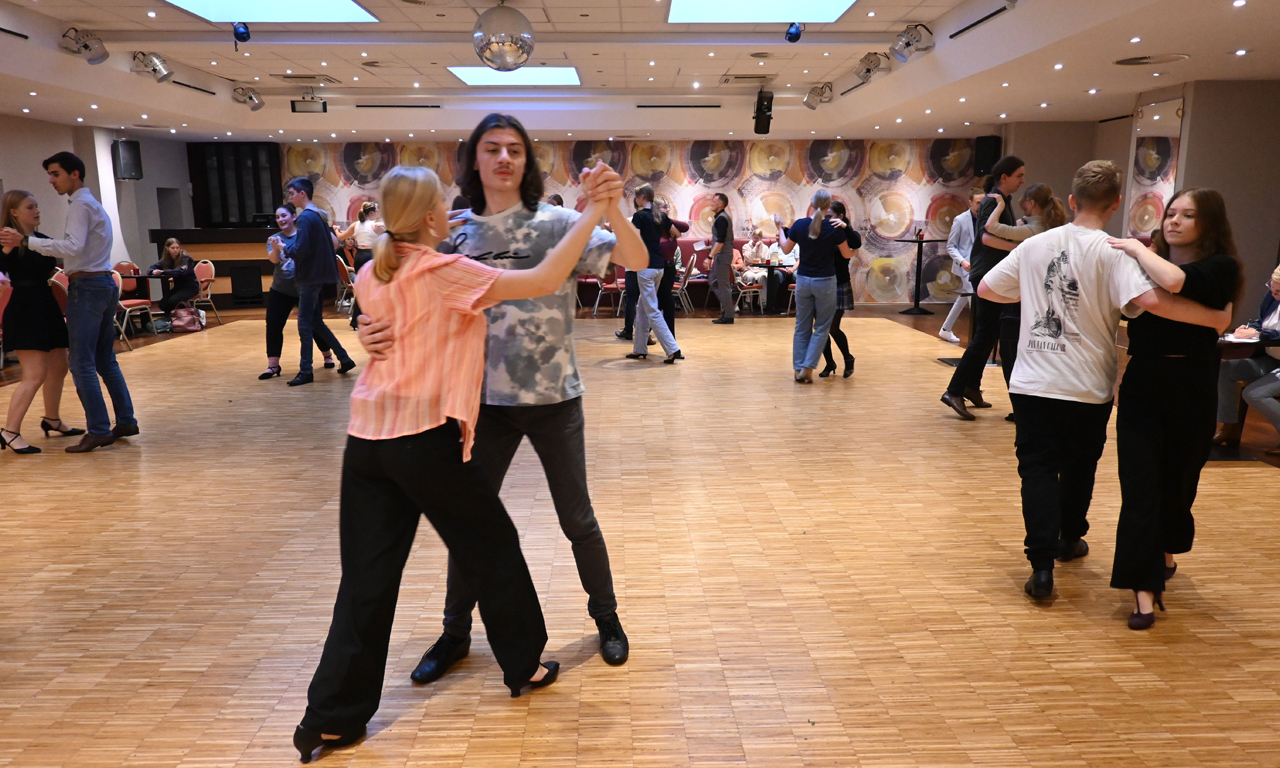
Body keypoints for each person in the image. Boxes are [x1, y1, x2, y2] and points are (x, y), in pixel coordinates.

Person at [294, 163, 623, 763]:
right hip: (423, 440)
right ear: (427, 219)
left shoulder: (374, 271)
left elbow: (374, 315)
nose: (453, 210)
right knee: (493, 548)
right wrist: (596, 210)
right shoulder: (445, 272)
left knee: (366, 580)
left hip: (365, 441)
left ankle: (331, 718)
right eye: (443, 205)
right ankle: (524, 665)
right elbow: (548, 276)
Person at [356, 113, 648, 686]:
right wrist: (365, 329)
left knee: (577, 519)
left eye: (515, 149)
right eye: (492, 149)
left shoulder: (559, 221)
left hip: (555, 397)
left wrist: (609, 203)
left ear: (527, 160)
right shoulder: (452, 231)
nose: (504, 158)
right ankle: (455, 633)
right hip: (478, 403)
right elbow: (389, 286)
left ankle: (607, 618)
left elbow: (636, 260)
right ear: (475, 159)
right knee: (471, 524)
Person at [977, 160, 1233, 601]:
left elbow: (986, 289)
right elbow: (1149, 303)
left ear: (1072, 201)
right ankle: (1069, 537)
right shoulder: (1116, 251)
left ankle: (1040, 567)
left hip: (1032, 380)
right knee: (1079, 466)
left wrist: (1032, 293)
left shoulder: (1038, 244)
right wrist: (1216, 318)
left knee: (1035, 468)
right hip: (1087, 384)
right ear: (1115, 204)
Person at [1106, 188, 1243, 629]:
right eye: (1170, 213)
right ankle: (1143, 591)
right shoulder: (1143, 263)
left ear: (1210, 224)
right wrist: (1211, 317)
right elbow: (1154, 302)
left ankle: (1167, 544)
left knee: (1179, 484)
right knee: (1140, 489)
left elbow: (1173, 284)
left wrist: (1134, 248)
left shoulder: (1220, 268)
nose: (1174, 221)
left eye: (1188, 215)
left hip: (1193, 388)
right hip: (1145, 384)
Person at [0, 152, 136, 453]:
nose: (51, 181)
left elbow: (71, 249)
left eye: (55, 174)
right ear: (13, 213)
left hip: (84, 288)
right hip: (50, 301)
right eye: (30, 206)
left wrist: (26, 241)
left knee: (78, 363)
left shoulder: (78, 207)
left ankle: (97, 428)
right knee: (95, 361)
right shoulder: (13, 241)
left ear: (74, 174)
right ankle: (119, 420)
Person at [940, 156, 1026, 420]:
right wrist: (1020, 247)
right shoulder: (992, 201)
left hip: (993, 276)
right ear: (1004, 177)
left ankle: (970, 386)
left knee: (988, 335)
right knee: (984, 335)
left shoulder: (1001, 201)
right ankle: (954, 390)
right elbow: (987, 238)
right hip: (989, 276)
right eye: (1019, 175)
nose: (1022, 180)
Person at [0, 190, 83, 455]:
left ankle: (52, 418)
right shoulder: (7, 237)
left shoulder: (41, 239)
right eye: (30, 207)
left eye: (37, 206)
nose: (37, 211)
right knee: (34, 375)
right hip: (25, 307)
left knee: (59, 366)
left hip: (46, 304)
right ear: (14, 212)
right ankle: (9, 431)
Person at [269, 178, 357, 387]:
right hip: (318, 276)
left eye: (291, 193)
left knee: (304, 325)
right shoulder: (318, 214)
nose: (290, 197)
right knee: (316, 322)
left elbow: (300, 251)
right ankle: (344, 358)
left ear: (302, 194)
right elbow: (332, 244)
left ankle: (306, 371)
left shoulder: (306, 218)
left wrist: (283, 248)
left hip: (308, 277)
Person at [775, 191, 858, 383]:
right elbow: (847, 255)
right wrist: (855, 251)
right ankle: (808, 368)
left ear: (811, 204)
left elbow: (785, 248)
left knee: (801, 327)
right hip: (826, 282)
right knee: (821, 327)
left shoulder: (799, 225)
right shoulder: (833, 227)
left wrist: (779, 228)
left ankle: (798, 369)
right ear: (828, 206)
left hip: (803, 280)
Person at [260, 204, 335, 379]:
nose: (280, 220)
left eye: (284, 216)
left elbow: (331, 244)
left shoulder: (305, 235)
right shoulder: (274, 238)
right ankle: (273, 365)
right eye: (278, 217)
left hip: (307, 288)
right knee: (273, 324)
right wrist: (276, 248)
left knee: (314, 324)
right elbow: (273, 260)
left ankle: (328, 355)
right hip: (281, 289)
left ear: (294, 217)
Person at [1214, 264, 1280, 452]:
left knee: (1254, 393)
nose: (1274, 295)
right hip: (1271, 359)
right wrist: (1248, 328)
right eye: (1272, 288)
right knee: (1223, 369)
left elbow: (1269, 333)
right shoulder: (1272, 297)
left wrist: (1260, 334)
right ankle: (1230, 428)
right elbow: (1260, 323)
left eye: (1279, 292)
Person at [624, 184, 682, 364]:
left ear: (641, 197)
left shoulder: (639, 216)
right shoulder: (661, 216)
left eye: (636, 196)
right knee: (642, 308)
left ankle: (673, 349)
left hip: (646, 267)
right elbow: (678, 233)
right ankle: (639, 349)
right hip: (659, 267)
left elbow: (634, 240)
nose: (636, 199)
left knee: (652, 310)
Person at [819, 201, 862, 379]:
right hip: (821, 284)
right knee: (821, 329)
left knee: (833, 328)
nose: (826, 219)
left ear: (841, 216)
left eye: (830, 216)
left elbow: (856, 243)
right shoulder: (825, 231)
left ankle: (848, 358)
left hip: (839, 284)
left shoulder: (845, 233)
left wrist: (845, 227)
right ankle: (829, 362)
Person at [939, 188, 985, 344]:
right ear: (971, 202)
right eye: (979, 202)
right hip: (967, 266)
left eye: (983, 202)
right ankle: (978, 336)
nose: (981, 205)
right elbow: (951, 246)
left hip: (981, 265)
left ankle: (946, 329)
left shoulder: (987, 219)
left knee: (965, 296)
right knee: (973, 296)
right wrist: (963, 261)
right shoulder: (960, 220)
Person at [335, 202, 385, 329]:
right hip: (371, 256)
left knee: (362, 289)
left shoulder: (355, 225)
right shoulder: (376, 225)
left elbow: (340, 237)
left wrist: (336, 230)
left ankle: (356, 321)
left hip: (360, 257)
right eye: (377, 211)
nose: (378, 213)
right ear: (372, 213)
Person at [657, 203, 689, 336]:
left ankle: (647, 333)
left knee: (662, 302)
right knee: (665, 302)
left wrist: (668, 219)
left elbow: (685, 227)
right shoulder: (654, 225)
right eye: (664, 207)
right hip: (658, 267)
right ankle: (670, 339)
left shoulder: (668, 224)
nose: (667, 209)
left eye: (668, 207)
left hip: (669, 268)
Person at [147, 238, 200, 318]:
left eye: (177, 248)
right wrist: (152, 271)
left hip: (191, 287)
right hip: (178, 287)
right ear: (167, 248)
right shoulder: (166, 260)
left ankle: (196, 313)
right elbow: (152, 268)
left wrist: (164, 272)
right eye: (173, 248)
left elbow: (181, 271)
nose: (175, 250)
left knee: (173, 300)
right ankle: (172, 319)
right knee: (163, 304)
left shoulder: (186, 259)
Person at [708, 193, 735, 324]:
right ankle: (728, 307)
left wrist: (709, 256)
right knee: (713, 281)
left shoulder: (721, 219)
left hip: (723, 255)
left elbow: (721, 241)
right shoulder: (721, 218)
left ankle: (729, 314)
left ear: (720, 204)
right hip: (722, 254)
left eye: (714, 201)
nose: (711, 203)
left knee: (723, 285)